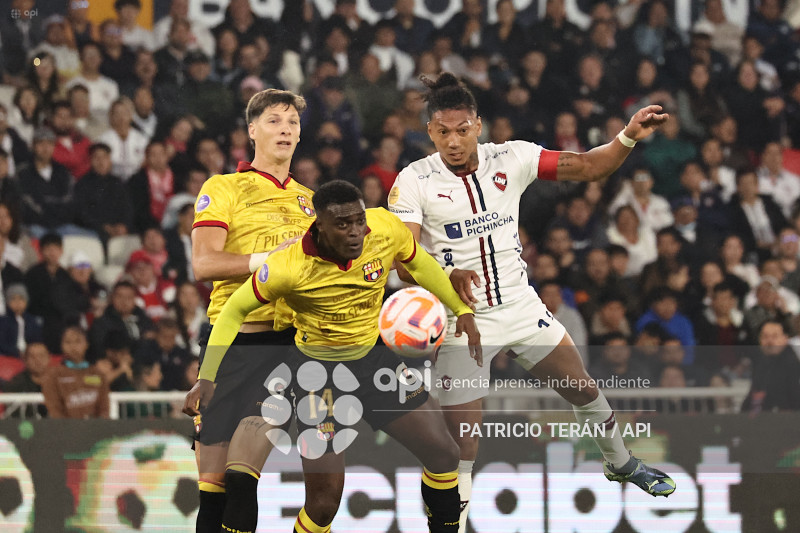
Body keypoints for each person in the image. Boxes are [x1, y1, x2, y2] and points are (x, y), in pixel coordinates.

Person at [390, 73, 676, 532]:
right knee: (461, 451)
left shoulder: (513, 157)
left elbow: (587, 166)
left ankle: (620, 463)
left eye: (462, 129)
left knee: (583, 389)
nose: (454, 141)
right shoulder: (414, 180)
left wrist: (626, 137)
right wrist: (445, 277)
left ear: (478, 125)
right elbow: (404, 259)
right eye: (443, 132)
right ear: (430, 131)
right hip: (461, 319)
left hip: (520, 307)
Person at [185, 180, 480, 533]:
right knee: (324, 505)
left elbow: (419, 264)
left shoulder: (384, 228)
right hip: (317, 376)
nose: (356, 232)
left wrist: (460, 308)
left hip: (375, 361)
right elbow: (233, 311)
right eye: (343, 225)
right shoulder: (287, 267)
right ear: (319, 226)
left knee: (445, 454)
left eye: (359, 221)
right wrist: (207, 378)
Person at [186, 88, 317, 533]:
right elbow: (204, 264)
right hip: (233, 342)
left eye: (292, 123)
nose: (285, 129)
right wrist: (265, 262)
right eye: (275, 121)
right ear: (252, 130)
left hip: (285, 347)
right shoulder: (223, 187)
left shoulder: (312, 202)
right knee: (214, 487)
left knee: (244, 478)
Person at [41, 326, 110, 419]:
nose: (73, 347)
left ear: (86, 344)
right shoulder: (54, 375)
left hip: (94, 429)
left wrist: (98, 425)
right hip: (65, 429)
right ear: (62, 345)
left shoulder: (98, 374)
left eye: (78, 341)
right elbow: (54, 408)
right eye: (68, 342)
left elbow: (104, 407)